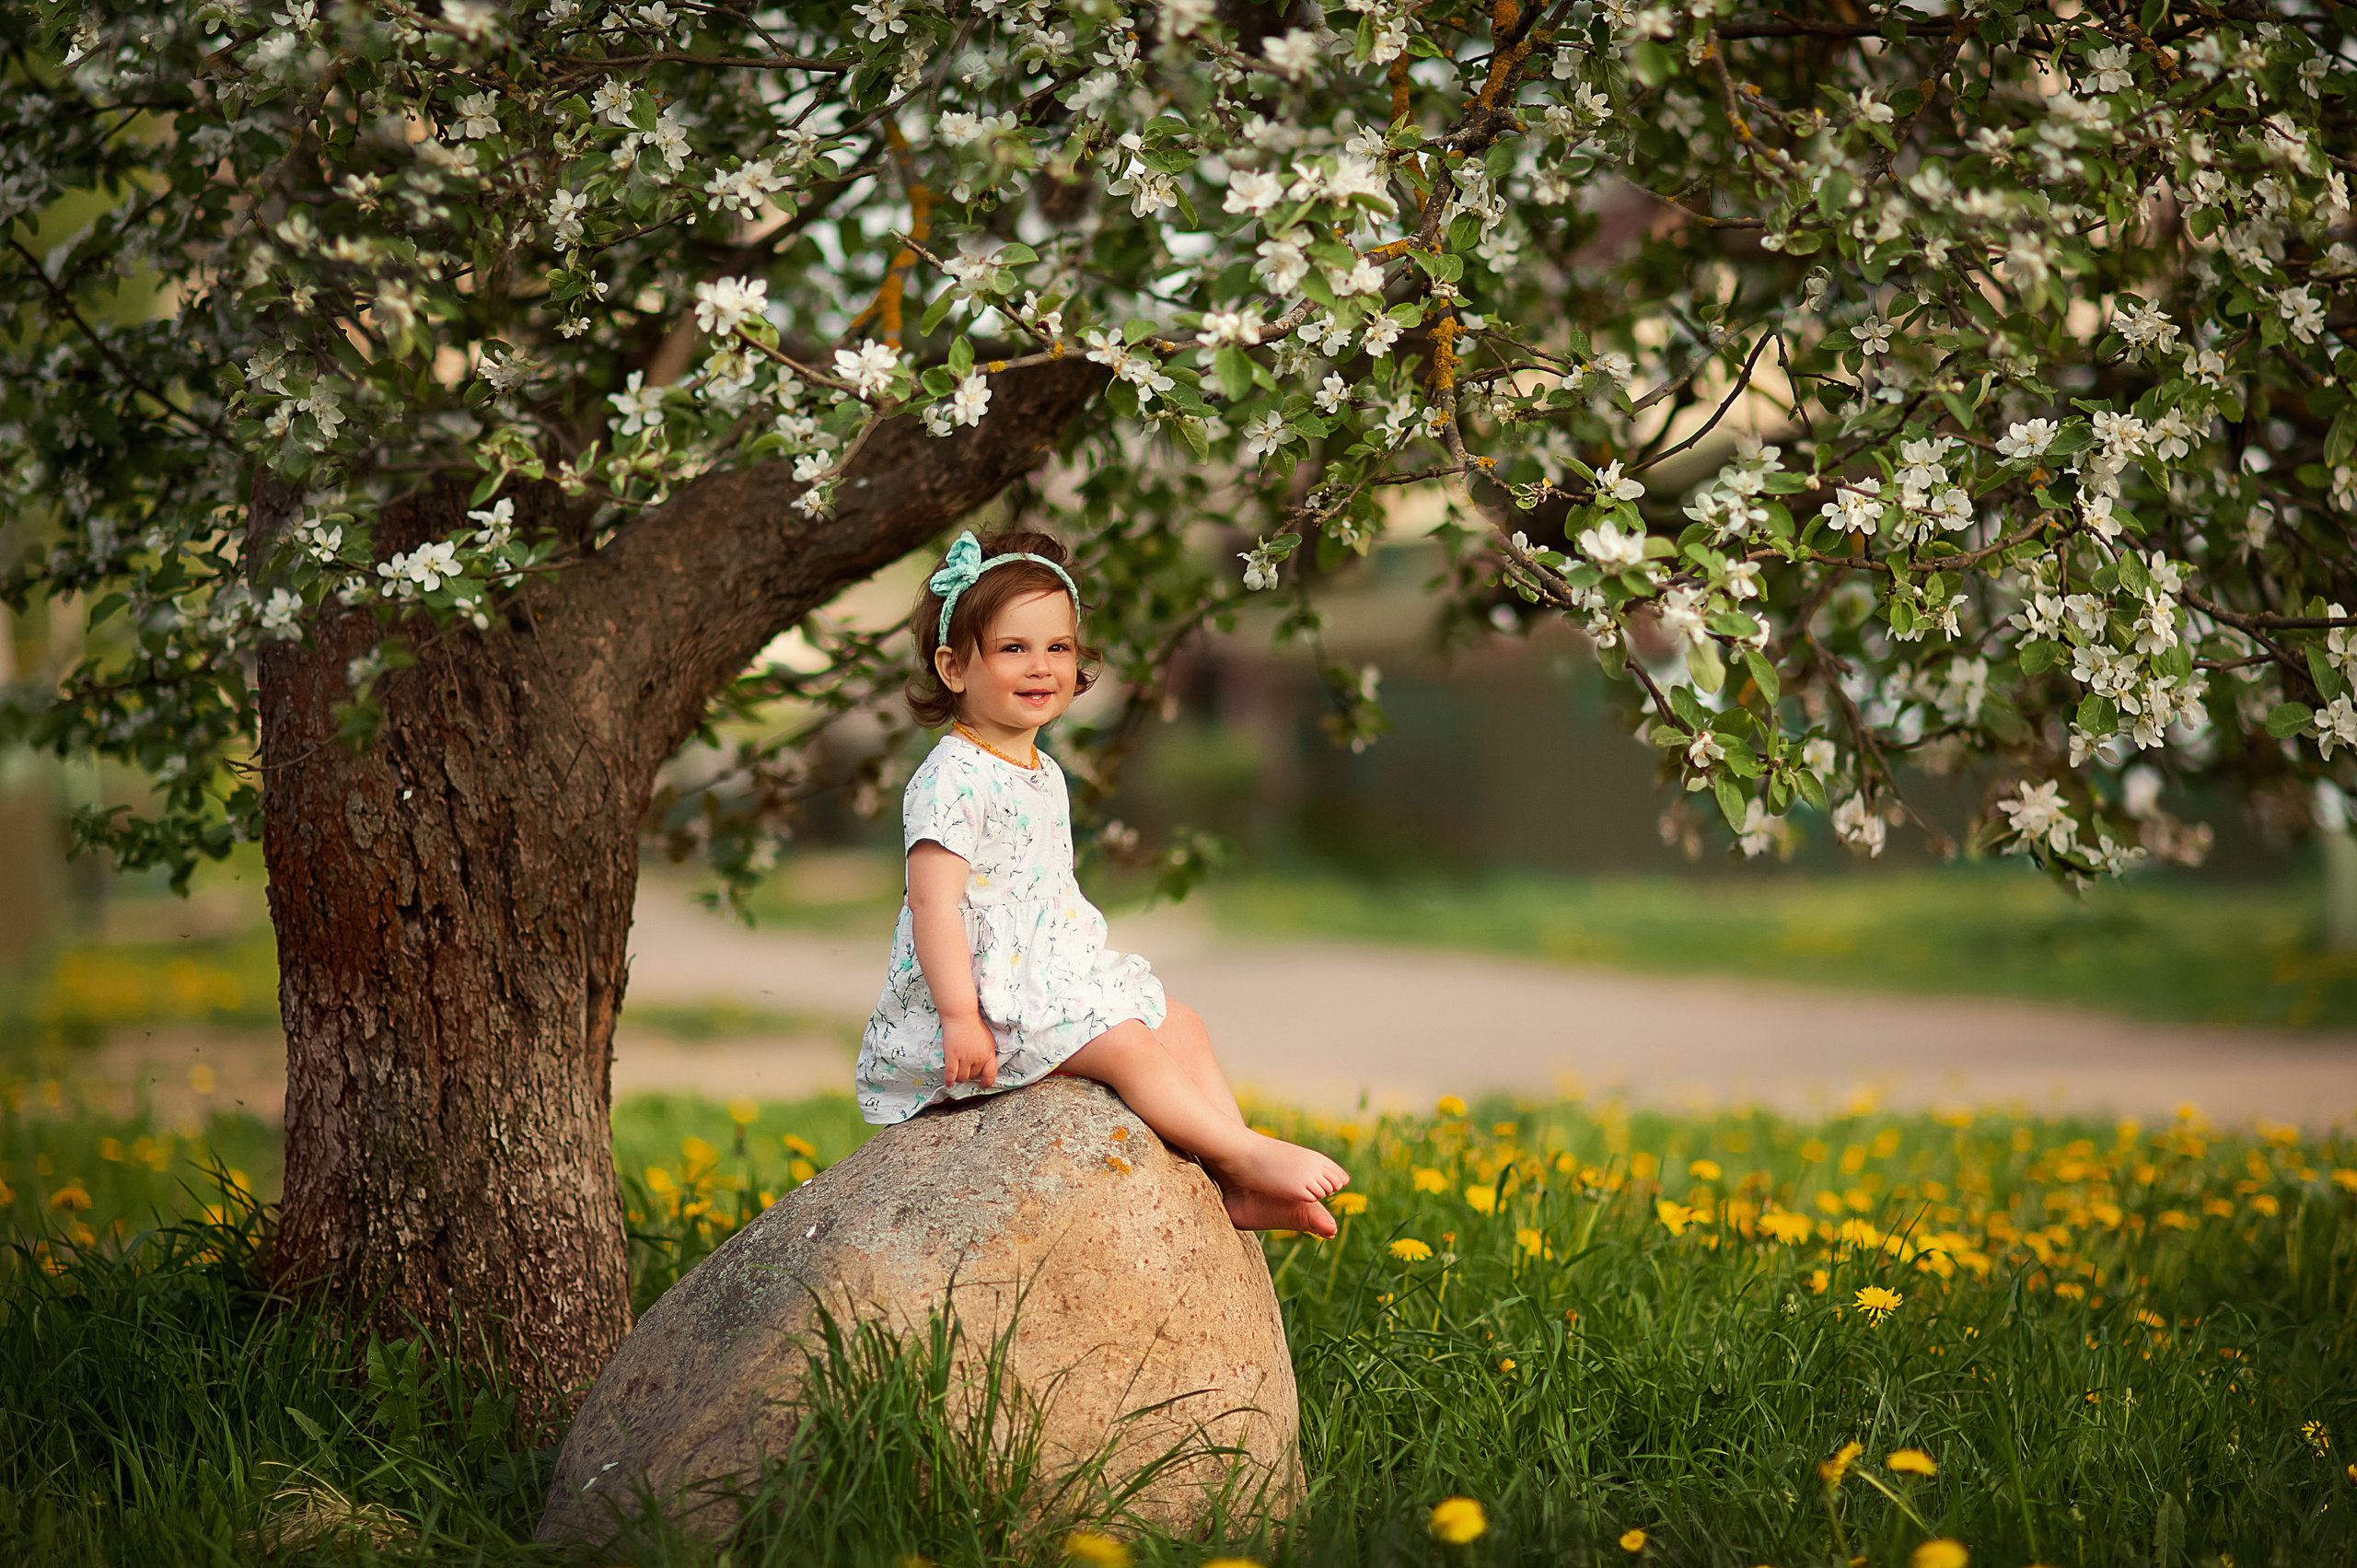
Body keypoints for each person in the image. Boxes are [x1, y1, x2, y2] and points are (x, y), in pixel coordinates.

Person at [858, 528, 1349, 1237]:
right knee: (1126, 1046)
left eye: (1058, 647)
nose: (1041, 666)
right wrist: (961, 1017)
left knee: (1181, 1023)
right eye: (1013, 648)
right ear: (954, 667)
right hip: (985, 1004)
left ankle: (1236, 1181)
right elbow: (933, 904)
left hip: (1046, 980)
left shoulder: (1041, 768)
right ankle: (1246, 1154)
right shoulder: (952, 777)